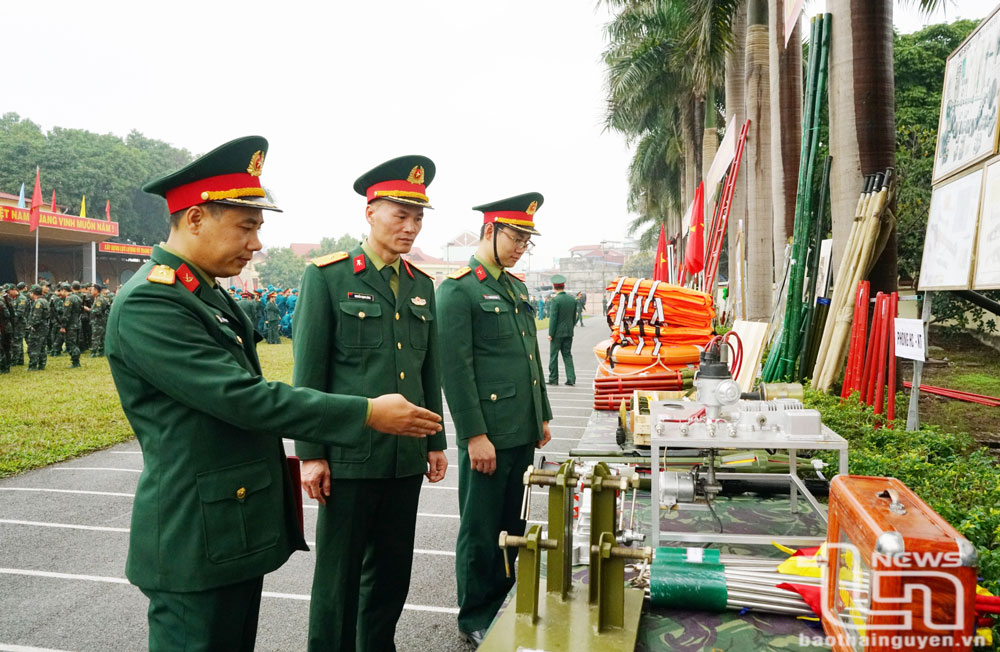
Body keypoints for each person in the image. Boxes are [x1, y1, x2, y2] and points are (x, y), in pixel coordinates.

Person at [104, 136, 442, 652]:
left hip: (230, 525)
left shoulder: (203, 294)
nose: (257, 243)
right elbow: (244, 398)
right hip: (195, 534)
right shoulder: (152, 302)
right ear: (195, 218)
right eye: (247, 227)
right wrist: (366, 414)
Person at [293, 155, 448, 652]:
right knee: (338, 579)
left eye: (418, 217)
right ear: (370, 213)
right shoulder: (329, 277)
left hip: (404, 457)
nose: (410, 227)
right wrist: (311, 453)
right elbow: (309, 373)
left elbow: (428, 370)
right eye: (400, 215)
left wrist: (435, 440)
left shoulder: (421, 285)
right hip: (350, 456)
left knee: (391, 574)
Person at [436, 192, 553, 647]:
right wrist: (473, 435)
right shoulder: (458, 290)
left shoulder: (516, 288)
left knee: (512, 527)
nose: (522, 247)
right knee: (481, 529)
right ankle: (475, 615)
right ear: (490, 230)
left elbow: (530, 358)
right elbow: (455, 370)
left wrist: (542, 415)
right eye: (516, 237)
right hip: (488, 434)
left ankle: (504, 604)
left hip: (521, 429)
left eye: (527, 240)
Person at [547, 275, 577, 386]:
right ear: (563, 286)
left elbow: (553, 319)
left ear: (554, 286)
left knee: (554, 356)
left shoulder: (555, 300)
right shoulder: (572, 299)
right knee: (567, 355)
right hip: (569, 332)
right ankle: (571, 378)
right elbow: (574, 317)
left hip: (557, 334)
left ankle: (553, 378)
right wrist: (570, 328)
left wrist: (551, 333)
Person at [26, 285, 48, 371]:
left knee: (33, 347)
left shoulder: (38, 303)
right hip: (44, 327)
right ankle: (42, 364)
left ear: (33, 293)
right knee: (42, 347)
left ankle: (33, 366)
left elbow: (36, 318)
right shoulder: (44, 300)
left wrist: (31, 326)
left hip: (38, 328)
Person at [89, 283, 109, 357]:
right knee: (102, 337)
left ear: (96, 290)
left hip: (98, 321)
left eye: (92, 290)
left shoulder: (99, 300)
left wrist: (89, 310)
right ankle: (101, 351)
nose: (91, 291)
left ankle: (93, 352)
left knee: (96, 337)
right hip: (102, 320)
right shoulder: (101, 298)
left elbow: (98, 311)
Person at [13, 282, 28, 365]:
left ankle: (15, 360)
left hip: (19, 323)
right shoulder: (14, 298)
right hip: (16, 322)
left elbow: (20, 312)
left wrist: (11, 320)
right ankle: (20, 360)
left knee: (17, 342)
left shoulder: (22, 298)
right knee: (18, 342)